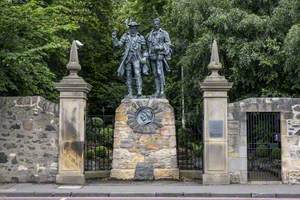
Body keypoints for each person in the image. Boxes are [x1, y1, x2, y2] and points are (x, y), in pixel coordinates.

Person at [112, 21, 148, 98]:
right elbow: (118, 45)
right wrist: (114, 38)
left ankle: (139, 92)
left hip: (137, 57)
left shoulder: (140, 37)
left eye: (134, 27)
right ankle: (130, 93)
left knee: (138, 74)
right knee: (128, 75)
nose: (133, 29)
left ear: (136, 28)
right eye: (131, 27)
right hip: (127, 58)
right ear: (129, 28)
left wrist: (145, 57)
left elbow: (145, 49)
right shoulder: (125, 36)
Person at [147, 18, 172, 98]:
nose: (156, 25)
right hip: (152, 56)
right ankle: (157, 91)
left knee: (159, 72)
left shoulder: (164, 33)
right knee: (154, 74)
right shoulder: (150, 34)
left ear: (159, 24)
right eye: (154, 24)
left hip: (160, 55)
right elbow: (147, 45)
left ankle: (162, 91)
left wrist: (160, 47)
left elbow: (168, 43)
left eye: (157, 24)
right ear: (153, 24)